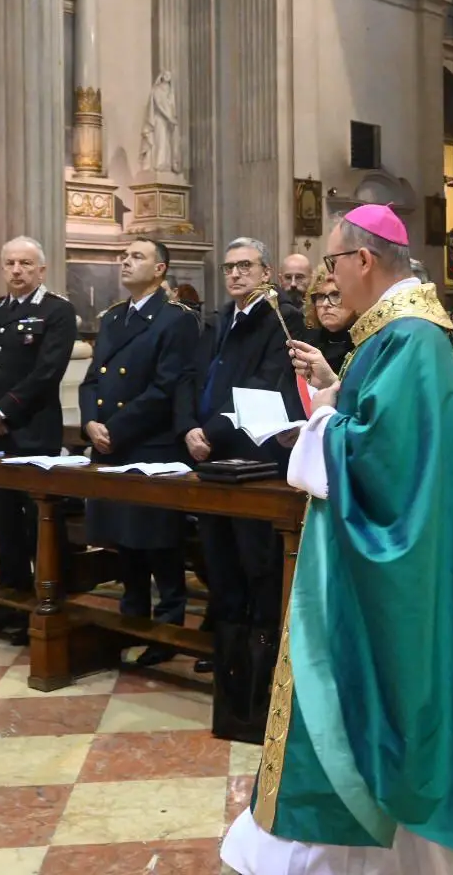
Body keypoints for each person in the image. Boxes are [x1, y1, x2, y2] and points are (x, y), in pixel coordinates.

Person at [222, 204, 453, 875]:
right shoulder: (397, 333)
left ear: (362, 260)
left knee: (371, 693)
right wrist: (337, 400)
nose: (328, 281)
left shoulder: (409, 336)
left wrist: (317, 427)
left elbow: (384, 457)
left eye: (331, 264)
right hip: (397, 549)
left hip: (394, 560)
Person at [180, 236, 301, 738]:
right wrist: (189, 426)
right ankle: (228, 664)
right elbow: (192, 378)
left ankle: (261, 676)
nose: (235, 275)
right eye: (229, 268)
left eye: (245, 266)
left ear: (266, 271)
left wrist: (212, 431)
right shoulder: (218, 321)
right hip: (210, 462)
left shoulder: (278, 320)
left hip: (255, 461)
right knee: (218, 562)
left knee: (258, 567)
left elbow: (268, 388)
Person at [78, 238, 200, 667]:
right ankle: (130, 620)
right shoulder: (112, 318)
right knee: (124, 543)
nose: (125, 262)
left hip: (151, 445)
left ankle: (167, 629)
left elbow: (167, 386)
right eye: (123, 256)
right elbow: (92, 378)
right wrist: (90, 421)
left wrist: (116, 426)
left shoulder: (174, 320)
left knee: (158, 544)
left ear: (161, 268)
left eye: (136, 257)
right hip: (111, 446)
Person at [0, 236, 77, 644]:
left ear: (41, 270)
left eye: (26, 263)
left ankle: (44, 606)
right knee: (3, 526)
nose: (17, 270)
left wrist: (3, 411)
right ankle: (8, 603)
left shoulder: (57, 312)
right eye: (9, 263)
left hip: (31, 435)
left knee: (36, 527)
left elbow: (46, 373)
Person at [303, 268, 355, 374]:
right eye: (320, 296)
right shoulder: (308, 344)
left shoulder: (365, 345)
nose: (325, 304)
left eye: (336, 295)